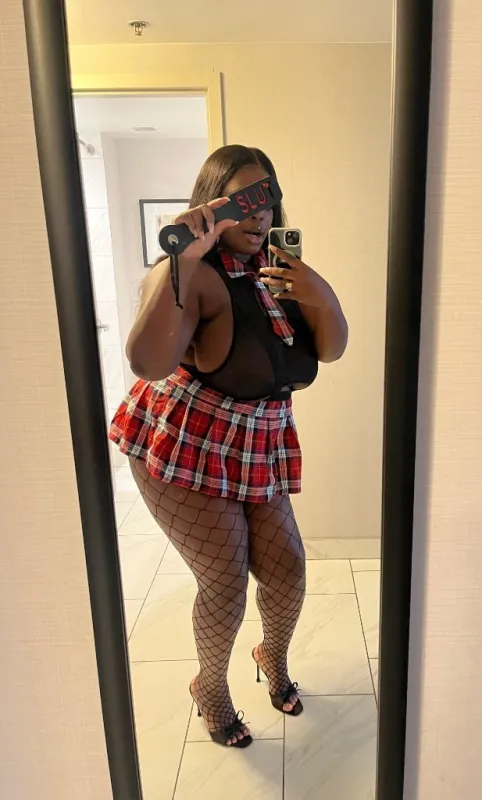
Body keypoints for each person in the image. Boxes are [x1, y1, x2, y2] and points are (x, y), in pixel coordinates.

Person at [109, 145, 348, 748]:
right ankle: (210, 687)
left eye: (265, 197)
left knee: (287, 570)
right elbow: (148, 363)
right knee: (225, 579)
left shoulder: (280, 269)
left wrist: (318, 291)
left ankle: (273, 656)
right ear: (209, 207)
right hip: (184, 439)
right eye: (239, 201)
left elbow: (330, 349)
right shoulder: (195, 274)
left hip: (256, 442)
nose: (256, 214)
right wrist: (181, 262)